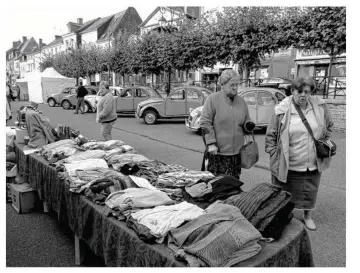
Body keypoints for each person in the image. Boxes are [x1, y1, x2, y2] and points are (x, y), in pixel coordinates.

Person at [265, 77, 334, 231]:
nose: (303, 95)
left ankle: (307, 216)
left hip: (312, 162)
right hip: (288, 162)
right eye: (299, 91)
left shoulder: (320, 106)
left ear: (311, 93)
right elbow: (271, 134)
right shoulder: (282, 109)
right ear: (292, 91)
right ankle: (285, 215)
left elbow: (329, 125)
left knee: (310, 190)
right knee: (284, 190)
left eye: (307, 92)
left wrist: (323, 141)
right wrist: (273, 153)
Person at [200, 69, 255, 179]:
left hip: (236, 153)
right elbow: (205, 123)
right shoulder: (213, 99)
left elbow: (246, 120)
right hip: (218, 153)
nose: (235, 87)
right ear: (223, 84)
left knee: (234, 183)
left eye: (237, 85)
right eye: (232, 85)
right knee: (218, 186)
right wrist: (211, 143)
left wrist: (248, 125)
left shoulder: (241, 101)